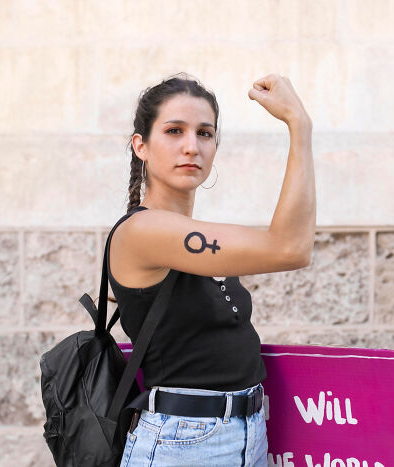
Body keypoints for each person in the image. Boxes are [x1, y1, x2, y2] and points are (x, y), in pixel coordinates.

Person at [106, 72, 315, 466]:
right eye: (173, 131)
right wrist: (299, 126)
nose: (191, 146)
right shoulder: (143, 230)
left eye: (204, 133)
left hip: (246, 433)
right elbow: (291, 249)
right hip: (183, 442)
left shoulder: (193, 237)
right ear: (141, 146)